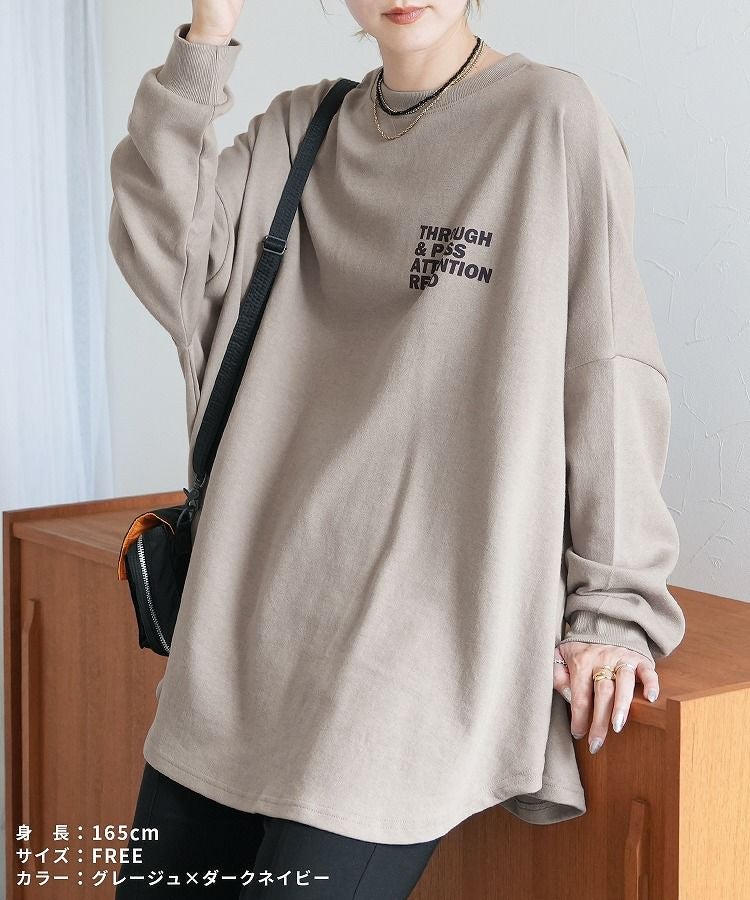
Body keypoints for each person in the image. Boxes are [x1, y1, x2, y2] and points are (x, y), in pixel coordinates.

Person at [108, 0, 686, 896]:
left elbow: (607, 369)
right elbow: (164, 251)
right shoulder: (302, 129)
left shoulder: (547, 118)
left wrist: (615, 607)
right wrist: (209, 30)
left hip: (408, 662)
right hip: (238, 636)